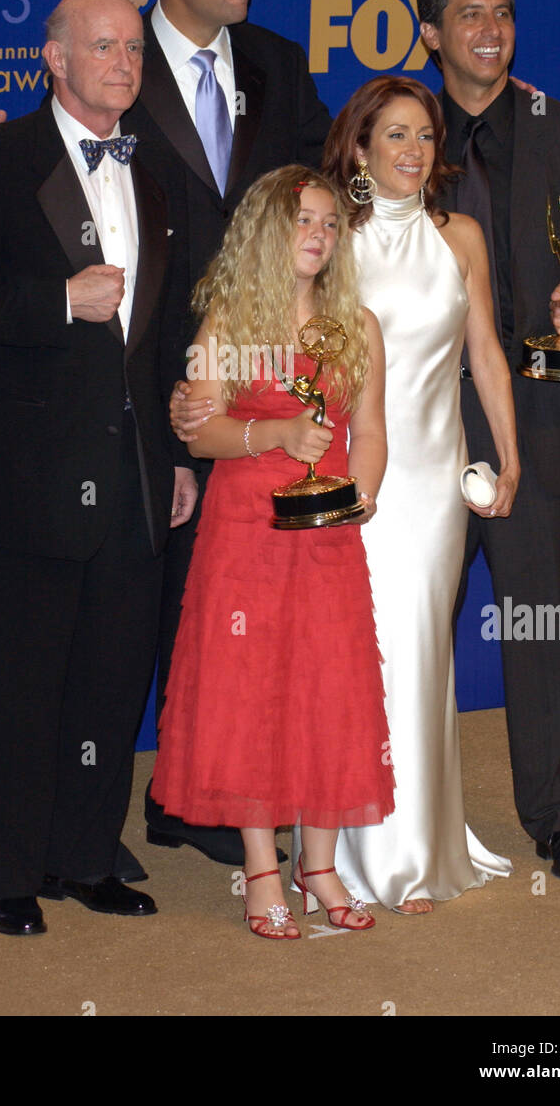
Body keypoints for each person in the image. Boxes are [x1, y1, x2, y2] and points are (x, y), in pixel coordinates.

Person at [0, 0, 333, 869]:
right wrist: (42, 274)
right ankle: (40, 854)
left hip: (211, 398)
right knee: (55, 655)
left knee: (159, 639)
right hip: (74, 427)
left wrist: (418, 186)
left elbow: (317, 185)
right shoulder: (37, 134)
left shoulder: (244, 95)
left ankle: (140, 823)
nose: (123, 65)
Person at [0, 0, 197, 936]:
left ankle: (85, 858)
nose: (122, 61)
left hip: (135, 478)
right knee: (18, 684)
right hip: (25, 476)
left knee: (111, 683)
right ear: (54, 59)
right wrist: (53, 300)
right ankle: (10, 870)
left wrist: (176, 458)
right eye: (102, 46)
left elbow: (158, 338)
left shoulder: (151, 174)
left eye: (131, 49)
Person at [416, 0, 560, 880]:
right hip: (419, 425)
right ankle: (387, 812)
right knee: (407, 623)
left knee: (539, 620)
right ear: (430, 34)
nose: (489, 29)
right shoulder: (392, 137)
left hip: (535, 418)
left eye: (500, 11)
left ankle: (555, 813)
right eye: (468, 14)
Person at [152, 166, 393, 938]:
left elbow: (373, 430)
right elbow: (198, 429)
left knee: (330, 686)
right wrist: (278, 435)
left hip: (327, 535)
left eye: (328, 223)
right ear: (265, 232)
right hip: (244, 530)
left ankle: (317, 863)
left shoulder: (357, 323)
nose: (318, 235)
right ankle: (261, 868)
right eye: (302, 221)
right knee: (249, 689)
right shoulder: (227, 319)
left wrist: (360, 494)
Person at [320, 76, 519, 912]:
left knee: (421, 647)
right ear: (359, 148)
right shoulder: (331, 237)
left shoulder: (461, 236)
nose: (412, 151)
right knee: (358, 652)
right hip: (358, 473)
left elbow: (485, 353)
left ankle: (420, 843)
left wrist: (507, 461)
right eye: (394, 135)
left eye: (426, 136)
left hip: (437, 477)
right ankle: (357, 852)